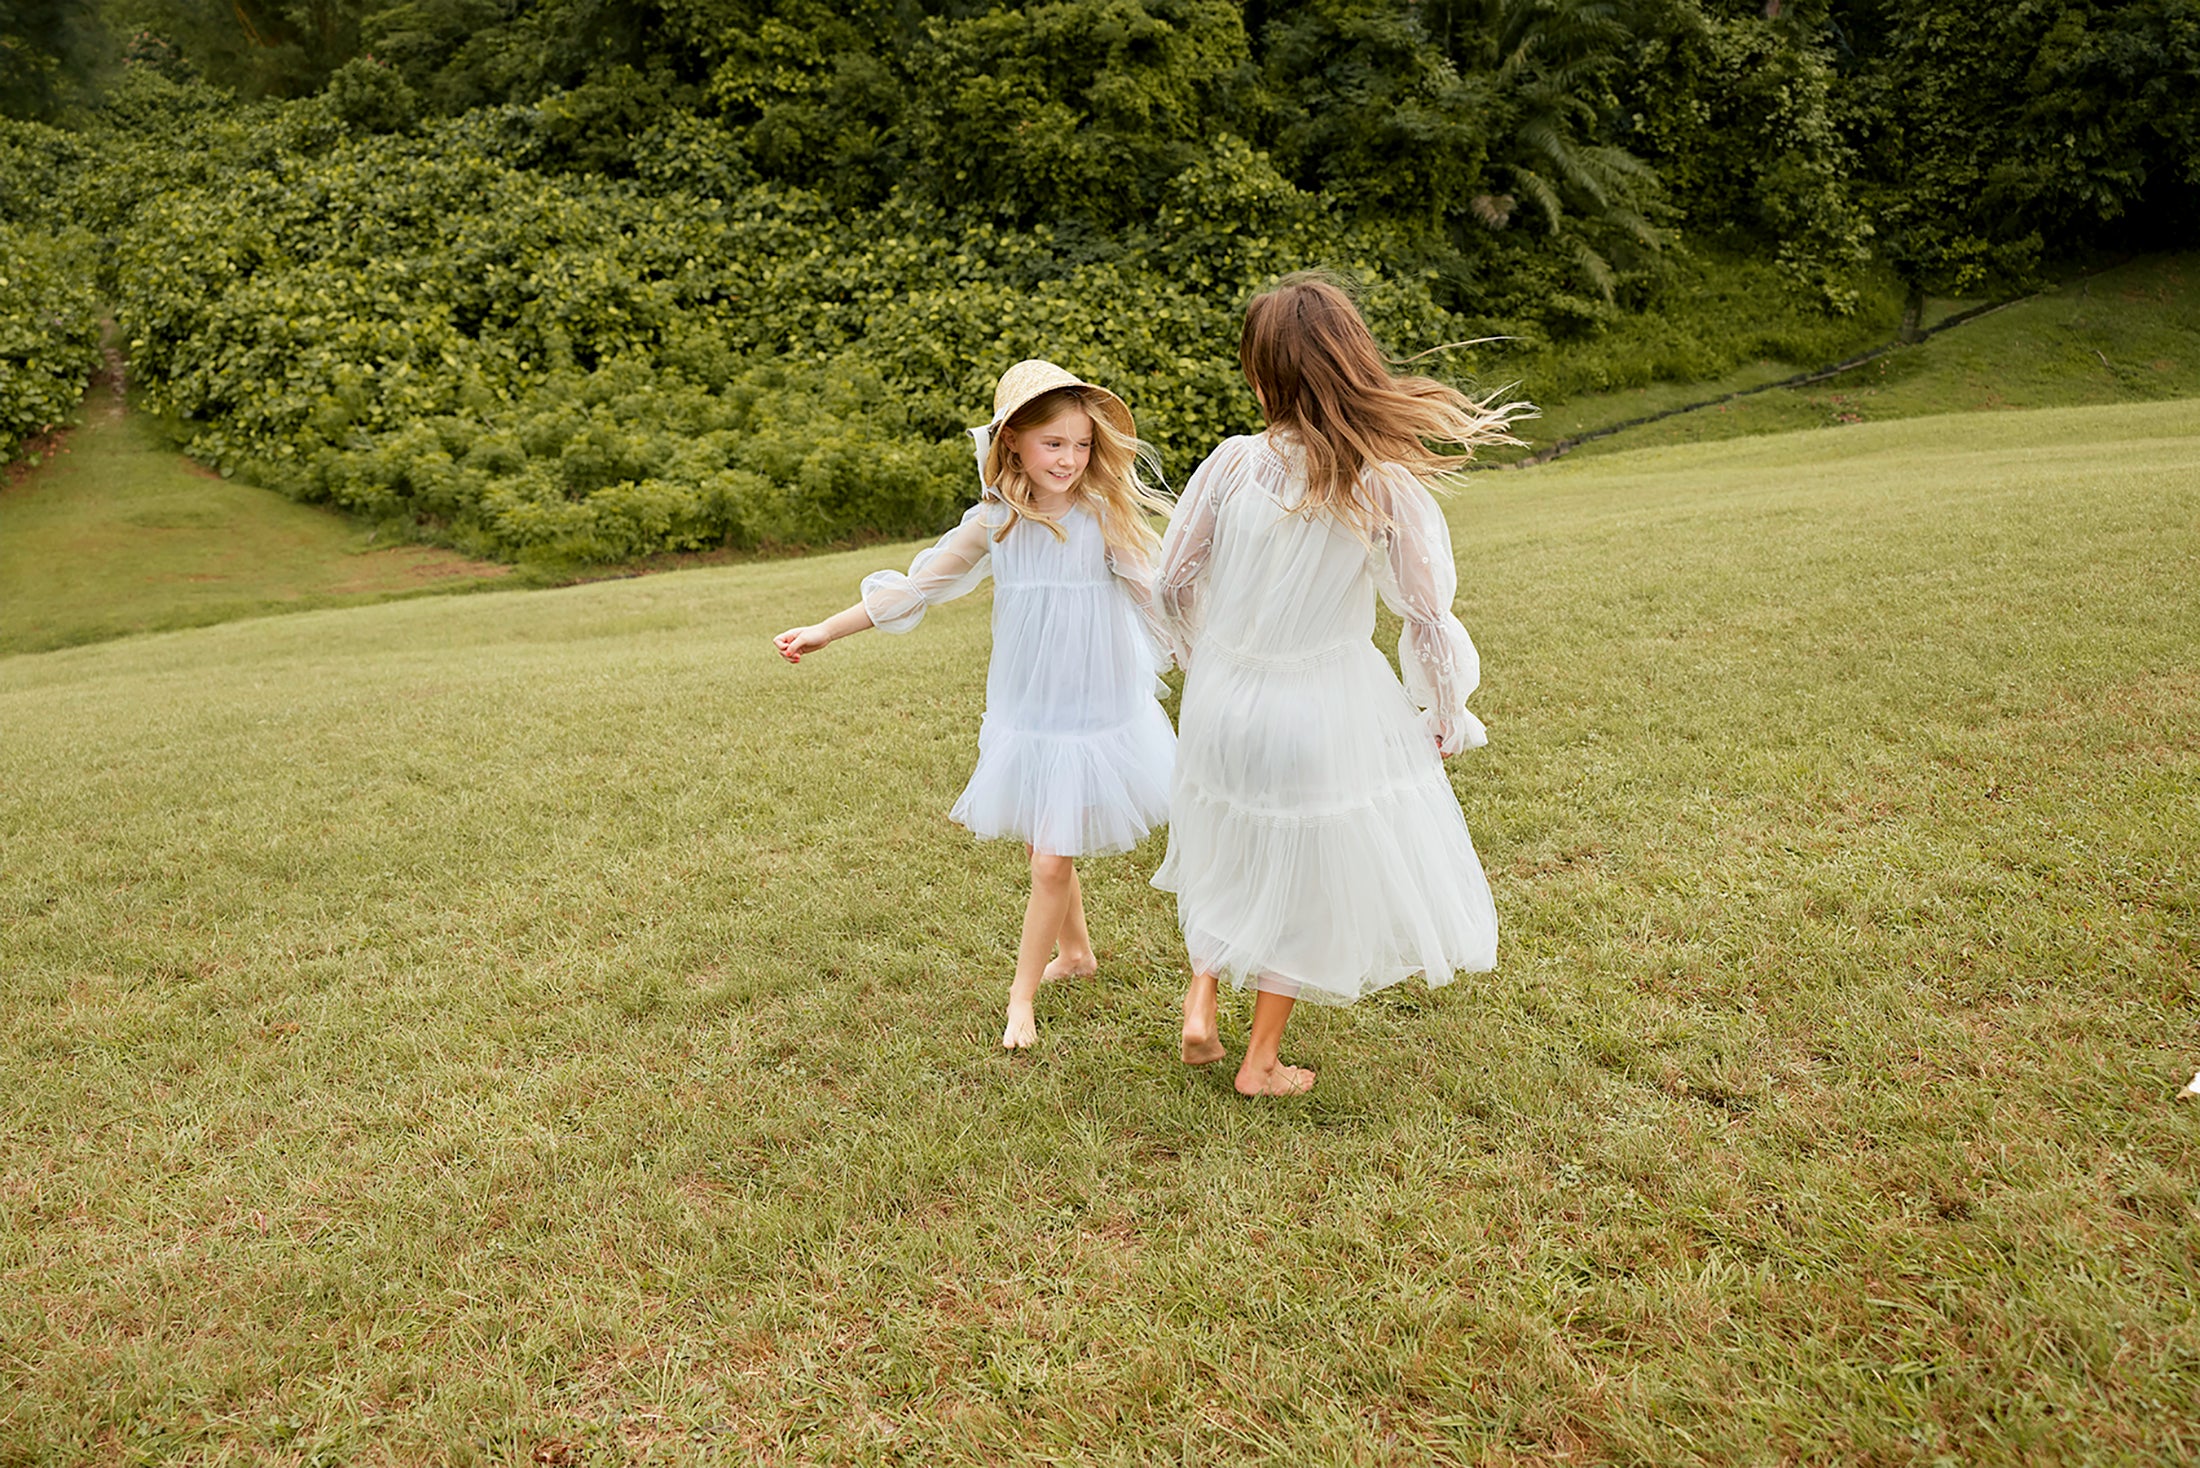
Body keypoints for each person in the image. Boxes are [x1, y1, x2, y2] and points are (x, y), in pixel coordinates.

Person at [1152, 274, 1531, 1096]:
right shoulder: (1380, 480)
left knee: (1232, 840)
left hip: (1223, 699)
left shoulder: (1230, 465)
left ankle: (1202, 996)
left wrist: (1203, 658)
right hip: (1321, 700)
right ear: (1353, 361)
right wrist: (1447, 709)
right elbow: (1426, 616)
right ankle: (1259, 1063)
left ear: (1260, 375)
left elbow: (1171, 579)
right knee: (1303, 864)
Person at [774, 360, 1179, 1050]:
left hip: (1094, 707)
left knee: (1050, 859)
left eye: (1082, 445)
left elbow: (1156, 597)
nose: (1071, 459)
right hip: (1028, 706)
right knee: (1041, 840)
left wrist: (1213, 662)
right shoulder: (995, 521)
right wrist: (824, 631)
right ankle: (1076, 954)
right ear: (1014, 439)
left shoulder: (1101, 515)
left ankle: (1021, 998)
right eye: (1054, 444)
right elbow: (915, 588)